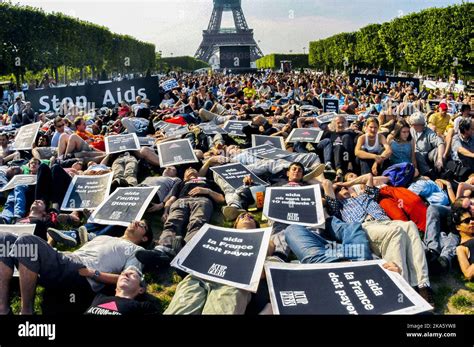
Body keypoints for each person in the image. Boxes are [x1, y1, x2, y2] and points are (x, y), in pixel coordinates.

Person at [0, 220, 152, 314]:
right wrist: (49, 244)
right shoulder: (104, 237)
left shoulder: (137, 250)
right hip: (64, 259)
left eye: (142, 225)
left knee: (27, 242)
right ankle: (3, 309)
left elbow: (128, 278)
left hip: (79, 272)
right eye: (137, 220)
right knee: (5, 239)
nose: (137, 222)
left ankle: (26, 311)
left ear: (144, 238)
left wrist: (93, 273)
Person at [164, 213, 262, 315]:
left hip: (233, 282)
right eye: (241, 216)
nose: (246, 217)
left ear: (256, 224)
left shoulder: (264, 241)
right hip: (198, 277)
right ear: (235, 224)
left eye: (251, 217)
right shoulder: (216, 235)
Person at [84, 266, 158, 315]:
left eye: (132, 274)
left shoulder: (143, 306)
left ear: (141, 290)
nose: (125, 274)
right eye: (122, 274)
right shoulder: (99, 296)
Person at [410, 112, 445, 177]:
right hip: (415, 155)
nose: (413, 126)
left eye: (415, 125)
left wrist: (440, 159)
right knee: (417, 153)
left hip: (427, 155)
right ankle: (427, 173)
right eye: (412, 125)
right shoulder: (411, 130)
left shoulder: (428, 132)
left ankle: (440, 170)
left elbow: (440, 143)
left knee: (437, 151)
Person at [454, 199, 474, 280]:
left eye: (473, 219)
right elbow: (468, 274)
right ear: (458, 227)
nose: (472, 222)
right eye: (467, 221)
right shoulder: (461, 248)